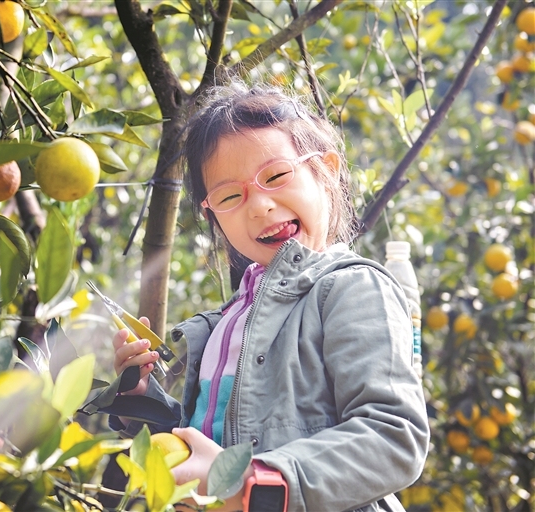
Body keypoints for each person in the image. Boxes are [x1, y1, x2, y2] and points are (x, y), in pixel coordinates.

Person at [111, 81, 430, 512]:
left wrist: (252, 483)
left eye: (277, 176)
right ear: (213, 217)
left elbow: (394, 438)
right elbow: (217, 440)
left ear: (328, 171)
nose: (259, 205)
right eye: (229, 196)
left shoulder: (350, 288)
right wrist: (142, 401)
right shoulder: (230, 320)